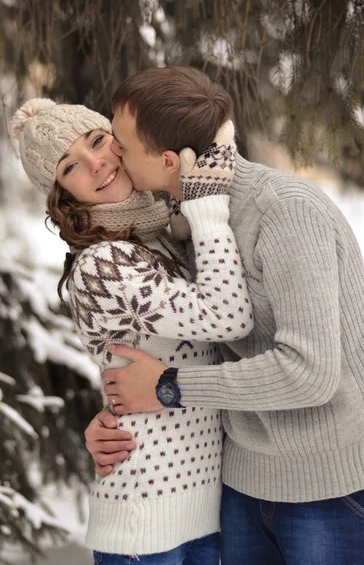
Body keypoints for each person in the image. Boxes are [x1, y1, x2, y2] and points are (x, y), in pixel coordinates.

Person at [87, 66, 364, 565]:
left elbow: (309, 374)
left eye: (121, 142)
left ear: (168, 160)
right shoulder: (191, 220)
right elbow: (185, 339)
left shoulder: (285, 212)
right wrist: (112, 414)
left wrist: (170, 388)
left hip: (326, 491)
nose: (111, 150)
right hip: (238, 484)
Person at [11, 96, 254, 564]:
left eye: (98, 141)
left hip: (207, 511)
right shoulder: (103, 265)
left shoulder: (158, 235)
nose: (97, 163)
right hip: (146, 525)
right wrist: (206, 206)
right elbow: (228, 317)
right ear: (64, 196)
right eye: (70, 167)